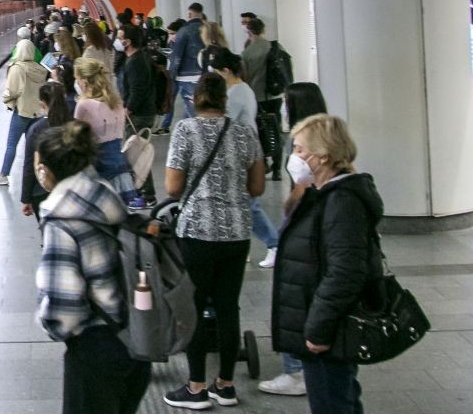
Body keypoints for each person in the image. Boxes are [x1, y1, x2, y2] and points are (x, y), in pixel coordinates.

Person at [34, 121, 152, 414]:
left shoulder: (60, 216)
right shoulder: (104, 192)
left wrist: (54, 326)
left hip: (95, 348)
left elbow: (64, 306)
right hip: (132, 337)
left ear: (46, 170)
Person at [163, 73, 265, 409]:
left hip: (197, 233)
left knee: (193, 308)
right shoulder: (244, 131)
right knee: (227, 307)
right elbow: (257, 188)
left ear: (195, 98)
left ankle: (195, 388)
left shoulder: (185, 130)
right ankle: (225, 385)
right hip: (237, 233)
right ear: (225, 99)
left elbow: (173, 188)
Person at [271, 115, 383, 414]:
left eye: (299, 150)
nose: (294, 158)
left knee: (333, 404)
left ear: (323, 155)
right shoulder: (321, 194)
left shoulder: (342, 202)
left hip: (329, 330)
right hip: (320, 321)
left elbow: (345, 272)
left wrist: (318, 328)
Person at [258, 81, 330, 397]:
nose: (283, 106)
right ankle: (305, 367)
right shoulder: (327, 132)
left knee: (295, 296)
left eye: (287, 101)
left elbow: (303, 184)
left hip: (305, 221)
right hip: (313, 221)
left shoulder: (304, 139)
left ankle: (296, 370)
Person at [211, 47, 281, 269]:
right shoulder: (243, 90)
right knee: (244, 203)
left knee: (248, 205)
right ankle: (248, 246)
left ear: (226, 70)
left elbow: (222, 122)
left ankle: (274, 243)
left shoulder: (235, 95)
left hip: (241, 155)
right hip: (245, 152)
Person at [74, 58, 146, 206]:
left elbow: (76, 139)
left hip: (97, 169)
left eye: (77, 79)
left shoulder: (84, 105)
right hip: (120, 168)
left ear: (84, 81)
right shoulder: (117, 102)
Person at [0, 39, 48, 186]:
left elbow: (13, 91)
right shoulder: (40, 68)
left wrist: (7, 101)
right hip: (38, 112)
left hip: (22, 111)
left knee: (12, 144)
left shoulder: (17, 68)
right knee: (34, 146)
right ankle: (38, 173)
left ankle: (4, 174)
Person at [21, 82, 74, 221]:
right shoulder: (75, 125)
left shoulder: (36, 130)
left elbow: (29, 166)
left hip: (43, 191)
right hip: (72, 189)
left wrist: (26, 198)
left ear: (42, 104)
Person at [163, 4, 207, 133]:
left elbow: (177, 56)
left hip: (186, 76)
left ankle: (197, 137)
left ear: (189, 14)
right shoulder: (207, 29)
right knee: (196, 107)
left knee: (192, 111)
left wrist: (171, 76)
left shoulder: (184, 30)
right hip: (203, 74)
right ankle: (188, 134)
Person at [119, 26, 157, 135]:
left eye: (120, 38)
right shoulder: (141, 56)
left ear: (128, 42)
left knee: (134, 150)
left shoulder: (134, 63)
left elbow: (137, 91)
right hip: (146, 110)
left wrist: (128, 110)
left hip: (139, 115)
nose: (118, 41)